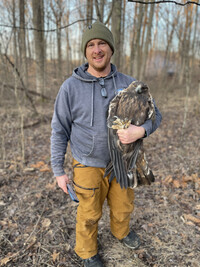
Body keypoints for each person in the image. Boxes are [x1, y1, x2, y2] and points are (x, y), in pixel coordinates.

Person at [51, 21, 162, 267]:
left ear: (110, 48)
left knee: (124, 207)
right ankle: (87, 251)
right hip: (87, 164)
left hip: (122, 162)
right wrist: (58, 171)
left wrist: (140, 131)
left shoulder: (131, 84)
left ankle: (121, 232)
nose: (97, 49)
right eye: (91, 45)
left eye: (102, 43)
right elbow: (59, 130)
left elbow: (157, 116)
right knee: (89, 214)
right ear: (86, 51)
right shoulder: (70, 87)